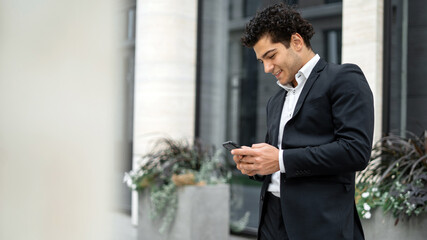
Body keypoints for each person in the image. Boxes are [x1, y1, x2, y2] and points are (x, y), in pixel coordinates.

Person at [230, 3, 374, 240]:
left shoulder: (343, 78)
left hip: (319, 226)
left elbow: (355, 150)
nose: (267, 68)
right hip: (271, 222)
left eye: (271, 56)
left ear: (296, 42)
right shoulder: (275, 101)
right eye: (261, 61)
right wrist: (257, 166)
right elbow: (278, 162)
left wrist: (280, 159)